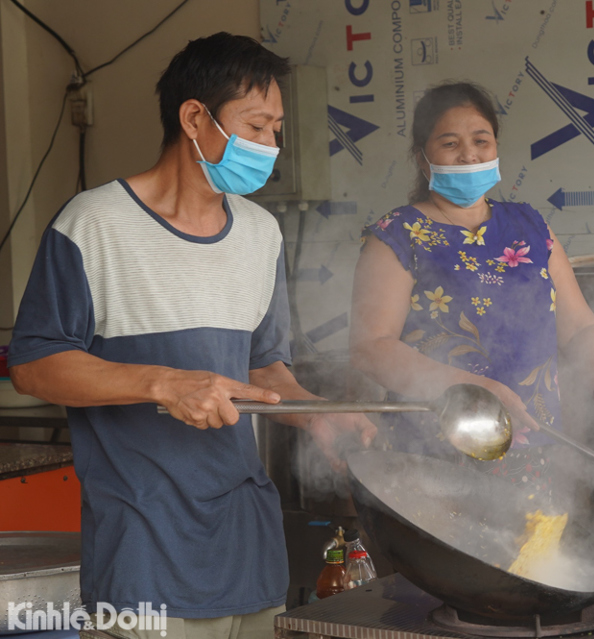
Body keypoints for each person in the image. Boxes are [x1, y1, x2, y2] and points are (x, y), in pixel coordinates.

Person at [8, 33, 375, 639]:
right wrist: (164, 383)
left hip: (249, 547)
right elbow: (34, 364)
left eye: (276, 130)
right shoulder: (92, 224)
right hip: (143, 552)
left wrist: (317, 416)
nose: (271, 147)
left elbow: (263, 368)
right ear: (195, 118)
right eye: (256, 127)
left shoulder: (261, 233)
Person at [350, 81, 594, 490]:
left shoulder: (530, 225)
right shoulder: (398, 234)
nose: (469, 154)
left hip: (536, 451)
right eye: (450, 143)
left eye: (481, 140)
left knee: (538, 551)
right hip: (433, 456)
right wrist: (475, 387)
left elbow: (579, 327)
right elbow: (371, 348)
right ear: (423, 159)